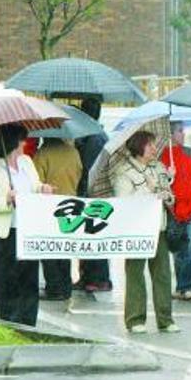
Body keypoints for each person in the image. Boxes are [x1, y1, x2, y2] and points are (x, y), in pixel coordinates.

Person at [0, 124, 55, 326]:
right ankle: (10, 319)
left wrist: (43, 188)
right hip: (7, 232)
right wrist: (6, 200)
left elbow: (35, 185)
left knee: (30, 276)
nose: (25, 143)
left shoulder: (27, 162)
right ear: (14, 141)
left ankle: (29, 319)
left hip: (28, 229)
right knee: (9, 277)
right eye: (23, 139)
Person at [112, 130, 179, 333]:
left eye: (154, 144)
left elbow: (170, 197)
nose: (153, 149)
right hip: (137, 230)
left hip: (159, 227)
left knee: (163, 275)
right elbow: (124, 200)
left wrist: (167, 188)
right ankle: (135, 319)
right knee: (135, 275)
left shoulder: (158, 167)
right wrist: (149, 190)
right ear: (138, 146)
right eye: (149, 145)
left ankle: (165, 319)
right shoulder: (123, 171)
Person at [33, 137, 82, 301]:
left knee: (49, 247)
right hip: (70, 204)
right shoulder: (74, 152)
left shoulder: (43, 153)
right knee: (64, 247)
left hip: (49, 206)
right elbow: (80, 172)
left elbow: (36, 181)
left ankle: (54, 288)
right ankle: (66, 286)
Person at [161, 122, 191, 302]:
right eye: (179, 131)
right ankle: (181, 286)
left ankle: (188, 286)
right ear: (171, 134)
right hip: (173, 208)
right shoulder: (163, 155)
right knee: (178, 247)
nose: (183, 134)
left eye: (183, 130)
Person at [74, 98, 112, 292]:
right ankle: (91, 276)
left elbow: (88, 169)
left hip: (93, 193)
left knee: (93, 235)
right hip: (100, 192)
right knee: (93, 235)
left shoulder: (93, 138)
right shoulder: (100, 134)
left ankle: (98, 278)